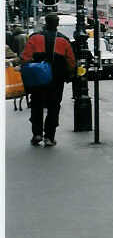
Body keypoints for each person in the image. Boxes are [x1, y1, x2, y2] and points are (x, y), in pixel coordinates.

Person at [20, 13, 76, 147]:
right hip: (56, 80)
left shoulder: (35, 38)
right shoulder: (63, 40)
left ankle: (37, 134)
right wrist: (69, 74)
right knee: (53, 106)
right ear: (57, 24)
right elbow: (71, 61)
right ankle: (49, 136)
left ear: (45, 22)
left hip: (37, 79)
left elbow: (26, 57)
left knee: (37, 105)